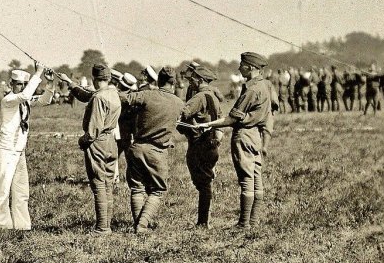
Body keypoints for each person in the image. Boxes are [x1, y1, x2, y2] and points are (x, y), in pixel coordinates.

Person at [187, 52, 274, 229]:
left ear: (250, 67)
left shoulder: (251, 89)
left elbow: (232, 118)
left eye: (241, 65)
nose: (239, 68)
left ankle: (244, 223)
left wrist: (208, 124)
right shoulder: (265, 85)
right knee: (256, 178)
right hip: (256, 135)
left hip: (244, 135)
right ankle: (253, 221)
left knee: (246, 179)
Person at [116, 67, 184, 233]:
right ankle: (142, 225)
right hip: (158, 152)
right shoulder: (178, 103)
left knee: (137, 188)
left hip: (137, 148)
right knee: (158, 190)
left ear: (158, 80)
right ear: (173, 83)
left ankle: (138, 224)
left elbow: (123, 98)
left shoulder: (146, 95)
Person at [57, 64, 122, 234]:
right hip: (111, 141)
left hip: (98, 143)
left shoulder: (99, 98)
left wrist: (82, 141)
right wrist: (69, 82)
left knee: (98, 184)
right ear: (109, 78)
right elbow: (87, 94)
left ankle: (102, 227)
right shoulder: (113, 93)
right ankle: (107, 225)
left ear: (94, 79)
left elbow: (93, 131)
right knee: (108, 184)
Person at [0, 65, 43, 230]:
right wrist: (38, 73)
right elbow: (25, 95)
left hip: (19, 151)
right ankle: (1, 225)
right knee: (3, 190)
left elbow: (45, 99)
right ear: (11, 84)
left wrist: (49, 84)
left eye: (24, 84)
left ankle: (22, 225)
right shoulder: (8, 100)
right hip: (6, 150)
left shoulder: (24, 101)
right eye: (19, 84)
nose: (22, 87)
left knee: (21, 191)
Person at [178, 65, 224, 228]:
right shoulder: (214, 96)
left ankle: (203, 222)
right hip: (211, 143)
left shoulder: (199, 97)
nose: (190, 82)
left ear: (200, 80)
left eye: (193, 79)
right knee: (205, 183)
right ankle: (203, 221)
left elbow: (182, 113)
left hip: (199, 144)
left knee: (203, 185)